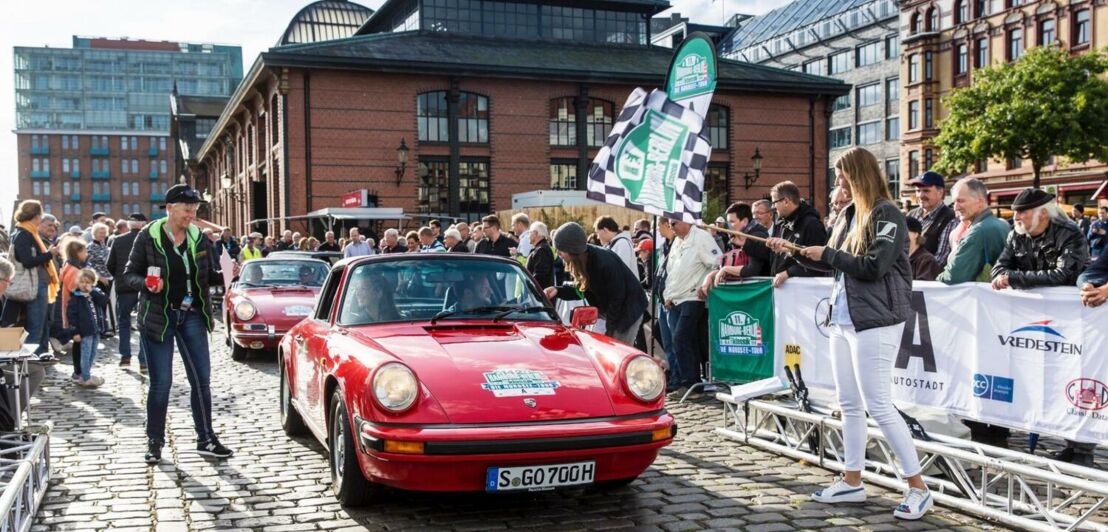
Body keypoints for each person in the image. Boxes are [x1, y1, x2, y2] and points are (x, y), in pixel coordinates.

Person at [768, 147, 932, 520]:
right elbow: (832, 261)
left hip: (876, 319)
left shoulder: (886, 213)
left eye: (842, 175)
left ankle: (918, 488)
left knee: (878, 404)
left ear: (857, 175)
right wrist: (793, 252)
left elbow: (873, 266)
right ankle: (852, 480)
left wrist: (824, 254)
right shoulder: (847, 214)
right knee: (850, 404)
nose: (837, 182)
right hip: (844, 319)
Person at [120, 184, 232, 465]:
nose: (192, 215)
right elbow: (128, 275)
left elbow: (209, 277)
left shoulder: (198, 237)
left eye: (195, 210)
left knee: (201, 381)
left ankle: (206, 438)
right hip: (159, 316)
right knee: (161, 384)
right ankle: (155, 441)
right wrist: (145, 283)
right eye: (187, 209)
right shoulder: (149, 236)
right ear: (169, 208)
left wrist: (229, 274)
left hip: (192, 313)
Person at [990, 188, 1092, 466]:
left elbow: (1064, 274)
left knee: (1074, 376)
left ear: (1042, 213)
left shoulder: (1070, 233)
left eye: (1022, 212)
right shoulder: (1015, 234)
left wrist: (1014, 278)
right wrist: (1006, 276)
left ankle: (1081, 447)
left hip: (1072, 321)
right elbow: (999, 268)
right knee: (1037, 377)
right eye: (1016, 211)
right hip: (1030, 321)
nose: (1017, 217)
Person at [544, 222, 647, 345]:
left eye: (560, 250)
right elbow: (582, 291)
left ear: (572, 249)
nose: (558, 254)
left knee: (617, 350)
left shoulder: (603, 262)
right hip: (612, 310)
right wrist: (558, 291)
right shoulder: (583, 261)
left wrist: (610, 332)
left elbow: (617, 298)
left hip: (628, 309)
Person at [661, 220, 718, 393]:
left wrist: (705, 284)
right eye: (670, 224)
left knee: (681, 338)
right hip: (675, 298)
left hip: (694, 297)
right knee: (682, 341)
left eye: (674, 223)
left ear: (686, 221)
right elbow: (671, 272)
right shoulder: (677, 242)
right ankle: (690, 382)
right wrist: (667, 295)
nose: (671, 227)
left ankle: (690, 382)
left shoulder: (702, 237)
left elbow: (716, 263)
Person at [2, 200, 60, 355]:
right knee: (35, 327)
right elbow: (27, 261)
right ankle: (29, 363)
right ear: (35, 216)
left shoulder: (27, 232)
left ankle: (36, 359)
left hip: (37, 284)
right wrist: (50, 254)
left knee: (38, 325)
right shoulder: (24, 234)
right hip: (34, 285)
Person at [936, 178, 1010, 286]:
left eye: (961, 201)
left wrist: (938, 278)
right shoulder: (1002, 224)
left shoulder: (979, 230)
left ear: (980, 201)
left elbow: (953, 277)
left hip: (986, 299)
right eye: (954, 202)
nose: (955, 207)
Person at [701, 202, 772, 294]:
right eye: (728, 222)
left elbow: (752, 270)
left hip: (756, 293)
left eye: (732, 222)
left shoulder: (758, 236)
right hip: (740, 291)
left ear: (745, 221)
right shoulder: (734, 237)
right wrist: (711, 275)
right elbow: (731, 264)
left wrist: (725, 269)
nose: (729, 226)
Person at [108, 213, 148, 370]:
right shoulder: (149, 240)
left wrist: (120, 277)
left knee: (124, 322)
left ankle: (125, 357)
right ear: (143, 225)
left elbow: (110, 264)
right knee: (144, 324)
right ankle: (144, 360)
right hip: (144, 286)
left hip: (124, 287)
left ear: (129, 225)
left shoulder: (118, 240)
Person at [768, 181, 827, 288]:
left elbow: (819, 264)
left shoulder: (812, 224)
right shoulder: (781, 223)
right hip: (782, 290)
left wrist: (789, 273)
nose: (773, 207)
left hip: (804, 292)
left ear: (786, 201)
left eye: (774, 202)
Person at [64, 268, 109, 388]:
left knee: (92, 353)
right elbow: (71, 316)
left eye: (88, 282)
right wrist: (75, 332)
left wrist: (93, 291)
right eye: (82, 282)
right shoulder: (76, 297)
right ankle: (86, 377)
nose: (85, 285)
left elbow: (105, 300)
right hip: (85, 331)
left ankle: (85, 373)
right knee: (85, 353)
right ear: (78, 282)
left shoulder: (95, 293)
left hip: (96, 330)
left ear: (93, 283)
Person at [906, 171, 957, 266]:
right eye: (918, 191)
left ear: (940, 193)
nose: (920, 196)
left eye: (926, 191)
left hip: (927, 277)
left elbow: (940, 260)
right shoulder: (911, 215)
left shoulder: (950, 218)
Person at [59, 238, 89, 381]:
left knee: (79, 342)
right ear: (77, 252)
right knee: (79, 342)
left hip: (74, 310)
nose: (86, 253)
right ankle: (79, 372)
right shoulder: (74, 270)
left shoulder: (71, 266)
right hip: (76, 311)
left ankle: (79, 371)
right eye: (85, 251)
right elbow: (75, 291)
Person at [87, 223, 113, 335]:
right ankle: (100, 329)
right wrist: (99, 277)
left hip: (109, 279)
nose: (102, 235)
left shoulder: (105, 246)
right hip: (97, 280)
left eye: (104, 233)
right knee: (99, 305)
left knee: (107, 304)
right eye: (100, 232)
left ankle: (106, 327)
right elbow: (88, 265)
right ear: (94, 233)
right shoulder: (90, 247)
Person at [594, 216, 639, 281]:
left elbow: (621, 272)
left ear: (605, 230)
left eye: (597, 232)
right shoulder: (613, 244)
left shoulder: (622, 244)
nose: (598, 237)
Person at [526, 222, 554, 289]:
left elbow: (540, 277)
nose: (528, 236)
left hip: (540, 295)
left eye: (529, 232)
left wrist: (531, 289)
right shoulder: (540, 248)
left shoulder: (542, 250)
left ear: (535, 233)